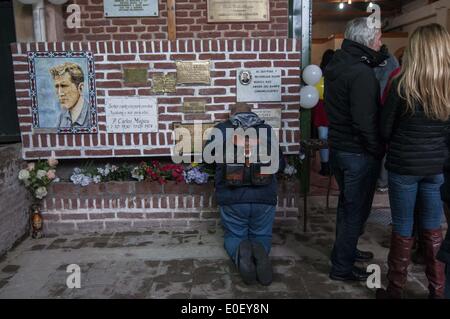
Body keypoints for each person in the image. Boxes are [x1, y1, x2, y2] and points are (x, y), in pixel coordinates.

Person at [377, 24, 450, 299]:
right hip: (435, 169)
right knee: (433, 230)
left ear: (417, 50)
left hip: (404, 167)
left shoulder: (402, 84)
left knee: (403, 229)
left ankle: (395, 290)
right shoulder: (447, 86)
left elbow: (385, 130)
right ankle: (437, 291)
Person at [324, 17, 387, 282]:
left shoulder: (339, 63)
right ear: (367, 40)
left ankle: (345, 252)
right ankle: (341, 267)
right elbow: (365, 121)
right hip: (357, 153)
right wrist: (376, 149)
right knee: (354, 211)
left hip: (340, 148)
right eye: (379, 37)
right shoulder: (360, 72)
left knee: (348, 207)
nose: (381, 42)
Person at [205, 103, 285, 286]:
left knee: (234, 234)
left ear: (231, 114)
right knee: (262, 234)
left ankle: (240, 254)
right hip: (264, 197)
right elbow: (280, 164)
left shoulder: (220, 130)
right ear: (252, 114)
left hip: (232, 197)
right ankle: (260, 253)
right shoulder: (265, 130)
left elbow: (207, 161)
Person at [374, 46, 400, 192]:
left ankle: (380, 180)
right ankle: (383, 180)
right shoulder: (394, 63)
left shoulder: (371, 61)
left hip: (378, 107)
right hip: (434, 161)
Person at [313, 49, 335, 176]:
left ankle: (325, 166)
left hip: (321, 106)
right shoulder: (338, 72)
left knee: (323, 137)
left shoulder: (319, 73)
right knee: (333, 137)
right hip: (335, 106)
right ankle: (332, 165)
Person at [50, 62, 89, 128]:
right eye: (57, 86)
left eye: (64, 86)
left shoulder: (92, 116)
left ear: (80, 88)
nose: (60, 93)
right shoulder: (61, 117)